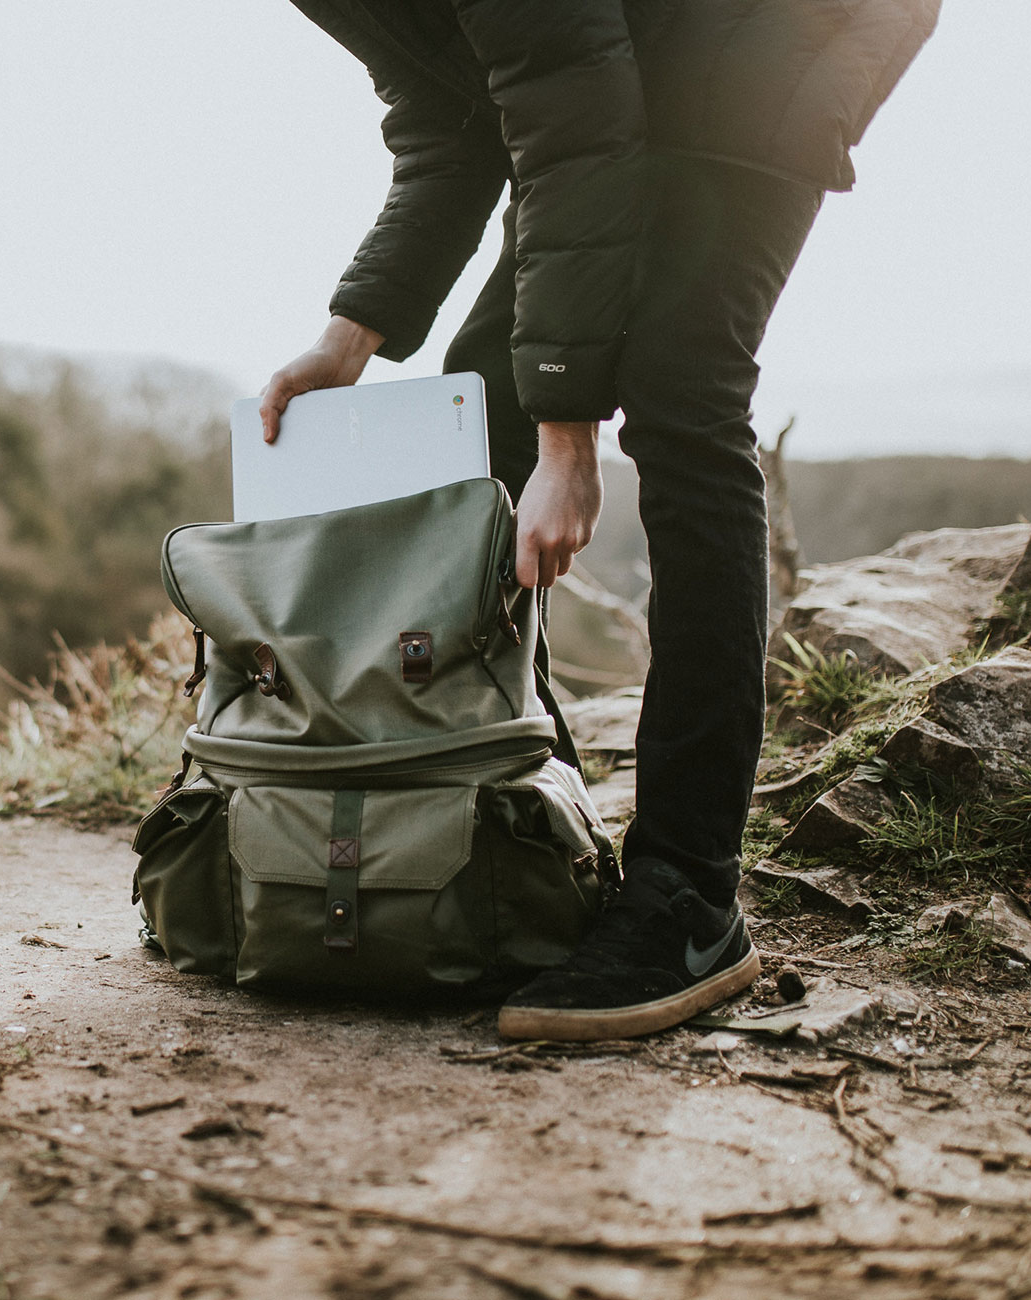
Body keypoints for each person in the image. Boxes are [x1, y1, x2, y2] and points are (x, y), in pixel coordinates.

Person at [260, 0, 940, 1040]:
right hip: (618, 60)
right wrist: (351, 333)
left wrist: (568, 442)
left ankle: (686, 897)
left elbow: (570, 107)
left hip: (770, 33)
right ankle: (529, 825)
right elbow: (455, 121)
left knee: (682, 398)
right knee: (479, 401)